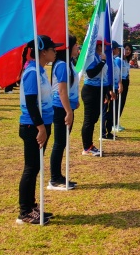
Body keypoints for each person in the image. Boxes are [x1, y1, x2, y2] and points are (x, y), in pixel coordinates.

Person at [17, 35, 60, 225]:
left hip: (42, 124)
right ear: (43, 52)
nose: (55, 52)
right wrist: (40, 128)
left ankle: (32, 206)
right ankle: (25, 211)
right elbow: (31, 104)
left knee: (35, 167)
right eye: (53, 49)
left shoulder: (40, 70)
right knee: (31, 167)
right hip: (32, 126)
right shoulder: (32, 72)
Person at [49, 35, 79, 191]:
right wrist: (68, 111)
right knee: (59, 143)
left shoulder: (69, 63)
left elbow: (70, 87)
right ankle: (54, 178)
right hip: (60, 108)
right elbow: (61, 91)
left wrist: (75, 101)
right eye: (75, 45)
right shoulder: (61, 65)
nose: (78, 48)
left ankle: (59, 176)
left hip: (67, 106)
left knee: (62, 143)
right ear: (68, 48)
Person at [80, 41, 108, 156]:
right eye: (104, 45)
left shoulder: (99, 56)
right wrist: (103, 62)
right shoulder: (91, 57)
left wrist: (105, 92)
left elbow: (104, 76)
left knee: (94, 119)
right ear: (99, 46)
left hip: (98, 91)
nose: (105, 47)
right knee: (89, 120)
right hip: (90, 91)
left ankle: (89, 145)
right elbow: (91, 73)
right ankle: (87, 147)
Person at [102, 42, 124, 139]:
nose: (118, 50)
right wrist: (109, 91)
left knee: (112, 111)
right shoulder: (107, 61)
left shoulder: (113, 60)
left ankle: (109, 131)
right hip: (108, 89)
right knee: (105, 110)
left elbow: (117, 74)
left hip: (114, 88)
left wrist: (120, 84)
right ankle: (103, 133)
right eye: (117, 48)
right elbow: (106, 76)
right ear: (113, 49)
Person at [114, 42, 134, 132]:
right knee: (118, 103)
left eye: (129, 50)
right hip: (120, 82)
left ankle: (116, 122)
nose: (128, 51)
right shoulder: (118, 60)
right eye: (126, 49)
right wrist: (120, 84)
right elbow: (117, 73)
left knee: (122, 103)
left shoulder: (126, 60)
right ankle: (113, 123)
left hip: (126, 82)